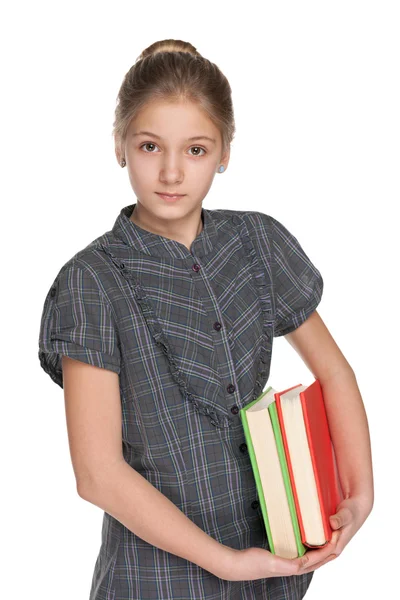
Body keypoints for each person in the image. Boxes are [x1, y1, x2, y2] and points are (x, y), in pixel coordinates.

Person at [37, 39, 374, 600]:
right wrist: (224, 562)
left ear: (224, 152)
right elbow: (97, 472)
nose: (171, 172)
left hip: (273, 570)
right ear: (121, 145)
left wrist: (359, 494)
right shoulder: (90, 280)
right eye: (150, 146)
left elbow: (335, 373)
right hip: (153, 581)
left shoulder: (257, 243)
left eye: (195, 150)